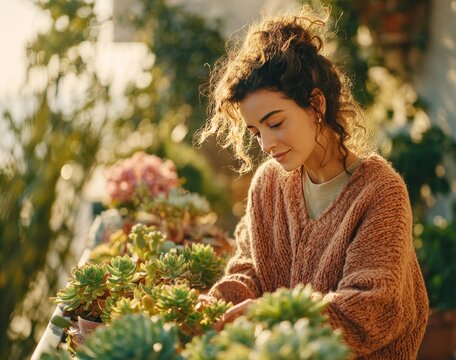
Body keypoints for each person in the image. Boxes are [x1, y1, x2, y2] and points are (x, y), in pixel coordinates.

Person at [196, 4, 429, 359]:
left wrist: (271, 316)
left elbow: (370, 308)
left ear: (316, 105)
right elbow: (250, 269)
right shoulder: (268, 184)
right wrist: (214, 305)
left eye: (275, 123)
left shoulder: (380, 191)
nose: (266, 145)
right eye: (255, 131)